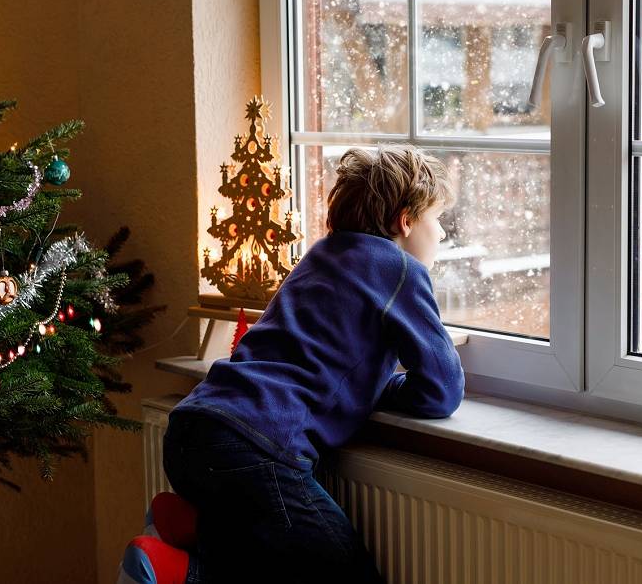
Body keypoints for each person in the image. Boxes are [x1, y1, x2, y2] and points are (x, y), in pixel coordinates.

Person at [163, 145, 465, 584]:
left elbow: (307, 354)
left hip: (193, 428)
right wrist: (388, 390)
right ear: (406, 220)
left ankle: (181, 565)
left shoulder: (317, 258)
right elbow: (443, 389)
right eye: (436, 219)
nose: (440, 234)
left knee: (255, 565)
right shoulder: (398, 268)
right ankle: (179, 568)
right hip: (256, 444)